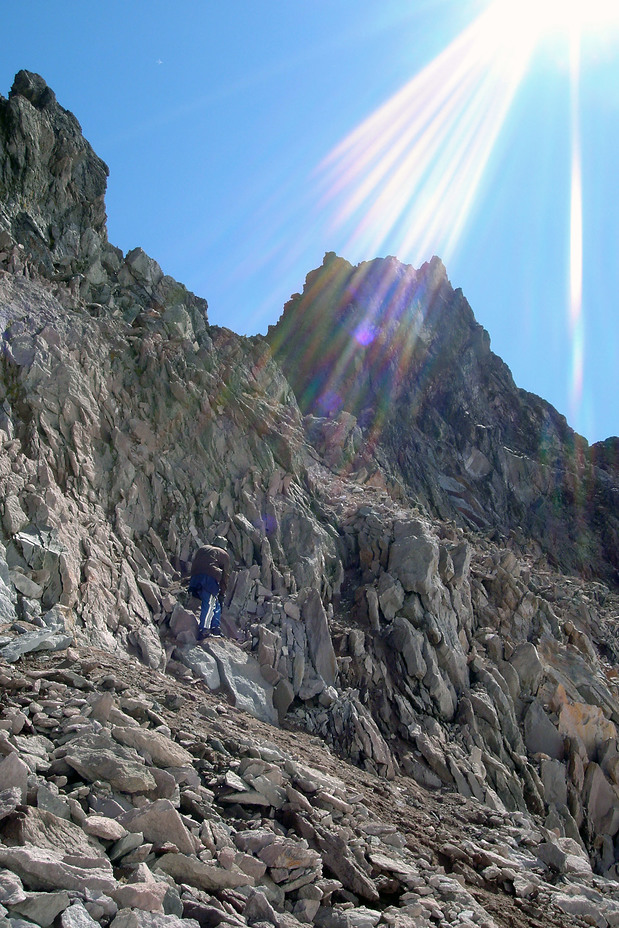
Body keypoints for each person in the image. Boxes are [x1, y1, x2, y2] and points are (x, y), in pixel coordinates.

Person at [189, 536, 231, 639]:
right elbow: (225, 576)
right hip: (209, 577)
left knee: (215, 603)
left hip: (195, 576)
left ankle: (215, 627)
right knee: (209, 603)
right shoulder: (224, 554)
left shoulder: (203, 548)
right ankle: (205, 630)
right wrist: (222, 593)